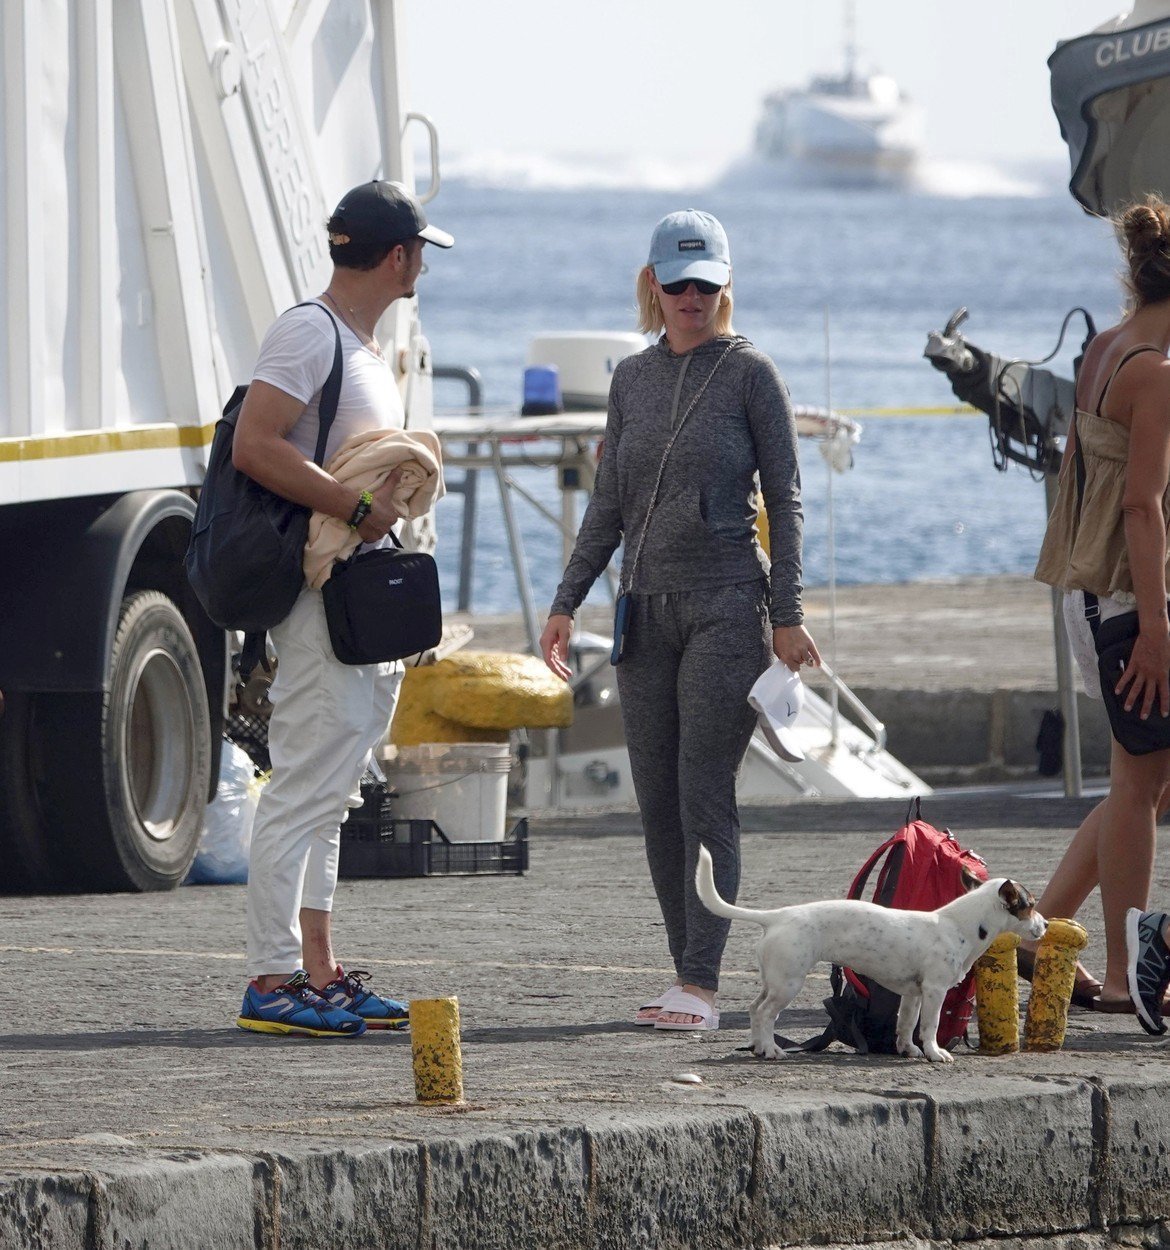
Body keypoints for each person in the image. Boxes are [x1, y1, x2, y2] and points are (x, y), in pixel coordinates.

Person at [539, 209, 820, 1032]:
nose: (692, 296)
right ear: (651, 285)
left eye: (707, 282)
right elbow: (610, 505)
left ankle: (702, 983)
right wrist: (566, 601)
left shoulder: (751, 375)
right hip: (642, 612)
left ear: (726, 287)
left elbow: (788, 502)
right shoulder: (631, 379)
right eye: (678, 282)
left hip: (728, 607)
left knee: (705, 792)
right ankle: (681, 976)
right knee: (657, 800)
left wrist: (787, 612)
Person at [231, 181, 453, 1037]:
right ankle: (269, 978)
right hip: (319, 596)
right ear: (397, 256)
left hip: (356, 600)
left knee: (332, 793)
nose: (423, 264)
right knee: (301, 788)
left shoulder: (357, 344)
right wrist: (359, 510)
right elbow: (256, 445)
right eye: (420, 250)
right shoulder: (308, 333)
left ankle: (318, 972)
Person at [1032, 194, 1170, 1027]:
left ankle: (1044, 931)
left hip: (1093, 592)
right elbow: (1142, 507)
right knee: (1138, 781)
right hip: (1126, 601)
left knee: (1146, 781)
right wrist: (1156, 630)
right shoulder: (1155, 369)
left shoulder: (1109, 347)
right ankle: (1123, 974)